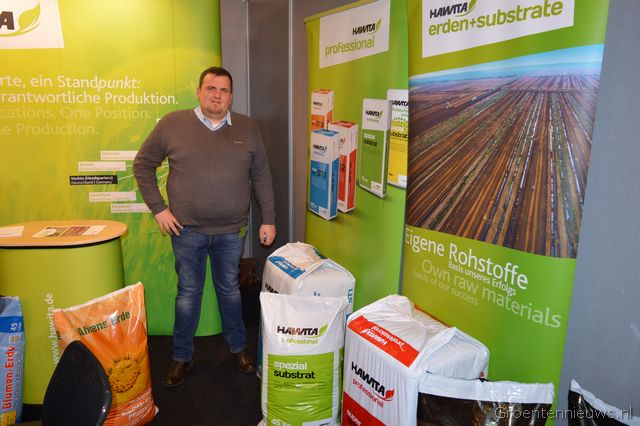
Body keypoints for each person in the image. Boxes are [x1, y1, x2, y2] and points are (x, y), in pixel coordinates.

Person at [133, 66, 276, 387]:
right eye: (211, 88)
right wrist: (158, 209)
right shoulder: (172, 124)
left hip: (231, 231)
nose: (217, 95)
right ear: (198, 92)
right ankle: (181, 357)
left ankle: (238, 349)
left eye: (224, 90)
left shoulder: (247, 127)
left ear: (231, 97)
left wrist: (268, 218)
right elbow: (143, 164)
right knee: (188, 294)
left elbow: (261, 176)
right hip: (186, 231)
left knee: (230, 291)